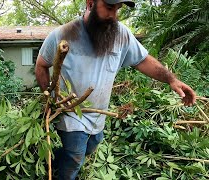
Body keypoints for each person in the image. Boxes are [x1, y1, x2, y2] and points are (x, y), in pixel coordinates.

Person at [35, 0, 197, 179]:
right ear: (90, 3)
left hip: (98, 114)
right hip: (71, 114)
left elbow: (142, 60)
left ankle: (53, 160)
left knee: (91, 146)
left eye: (117, 9)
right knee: (75, 157)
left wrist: (171, 80)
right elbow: (41, 65)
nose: (113, 15)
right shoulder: (63, 34)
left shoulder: (121, 34)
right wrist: (50, 98)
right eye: (110, 7)